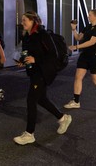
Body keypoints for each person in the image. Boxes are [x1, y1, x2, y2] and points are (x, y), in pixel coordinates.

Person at [13, 11, 72, 145]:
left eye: (24, 20)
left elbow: (53, 54)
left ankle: (29, 134)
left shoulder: (42, 35)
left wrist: (35, 59)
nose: (22, 23)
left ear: (33, 20)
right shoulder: (27, 36)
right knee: (41, 99)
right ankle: (63, 118)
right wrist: (22, 60)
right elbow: (26, 53)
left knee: (31, 100)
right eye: (22, 20)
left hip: (44, 71)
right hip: (34, 71)